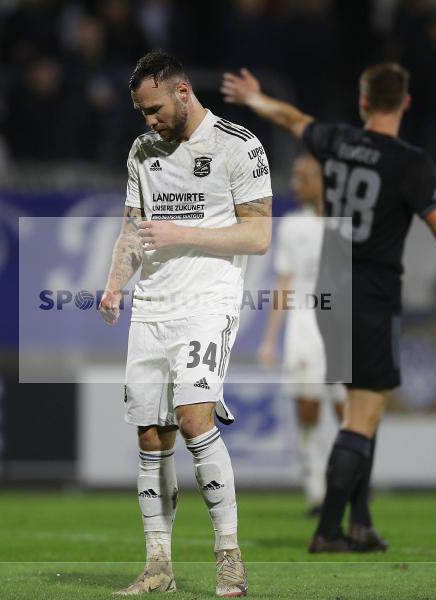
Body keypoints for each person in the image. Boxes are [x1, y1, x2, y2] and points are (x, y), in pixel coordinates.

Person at [222, 62, 436, 553]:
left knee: (362, 413)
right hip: (372, 293)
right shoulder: (409, 162)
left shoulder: (336, 140)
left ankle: (360, 523)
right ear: (406, 103)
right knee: (362, 414)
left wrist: (254, 100)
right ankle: (328, 530)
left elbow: (291, 119)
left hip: (332, 292)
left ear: (362, 102)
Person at [100, 50, 272, 597]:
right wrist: (113, 286)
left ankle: (229, 557)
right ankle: (158, 567)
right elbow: (132, 231)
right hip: (152, 305)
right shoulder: (143, 150)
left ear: (181, 92)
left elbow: (258, 235)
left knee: (194, 417)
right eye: (140, 112)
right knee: (151, 435)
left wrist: (181, 234)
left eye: (152, 108)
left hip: (207, 301)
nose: (148, 120)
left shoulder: (238, 146)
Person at [257, 153, 348, 518]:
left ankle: (350, 482)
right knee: (308, 412)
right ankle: (317, 492)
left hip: (343, 329)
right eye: (294, 177)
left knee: (349, 412)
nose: (296, 184)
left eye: (304, 176)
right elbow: (284, 281)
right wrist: (269, 338)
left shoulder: (349, 223)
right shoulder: (293, 224)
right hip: (304, 327)